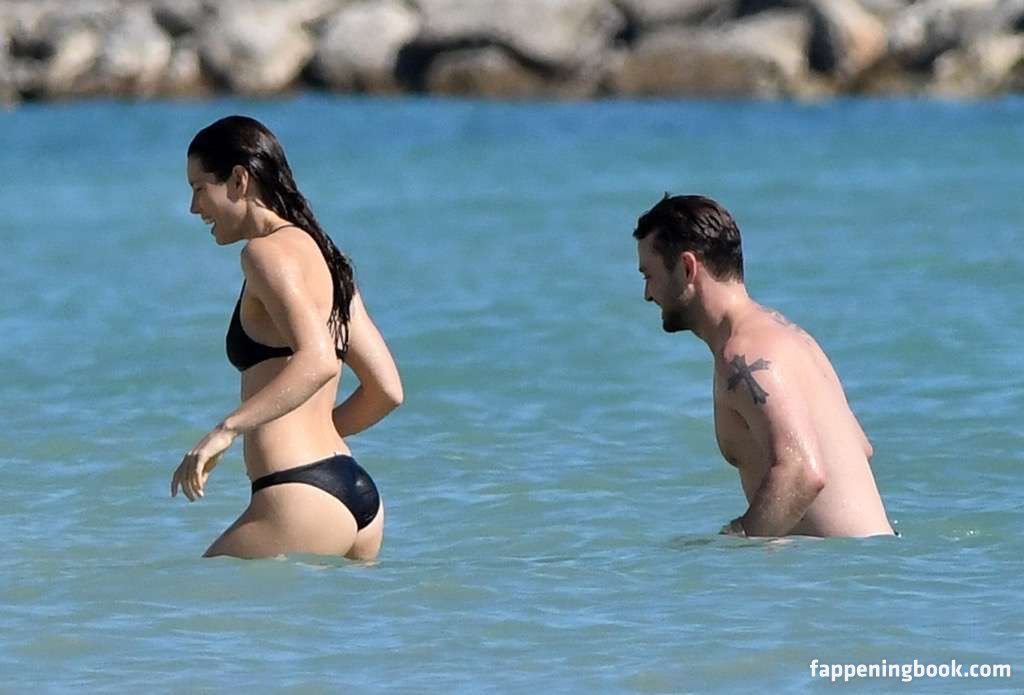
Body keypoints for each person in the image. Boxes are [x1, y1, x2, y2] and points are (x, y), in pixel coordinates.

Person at [172, 115, 403, 559]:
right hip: (355, 491)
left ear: (239, 180)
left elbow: (318, 359)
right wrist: (314, 438)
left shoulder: (263, 254)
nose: (194, 208)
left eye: (199, 188)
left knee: (188, 601)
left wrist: (226, 430)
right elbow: (387, 390)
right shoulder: (328, 258)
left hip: (296, 495)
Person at [633, 194, 893, 538]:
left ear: (687, 268)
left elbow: (802, 473)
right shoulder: (793, 337)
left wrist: (734, 543)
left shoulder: (743, 355)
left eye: (648, 275)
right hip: (874, 564)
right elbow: (860, 448)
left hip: (846, 571)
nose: (647, 294)